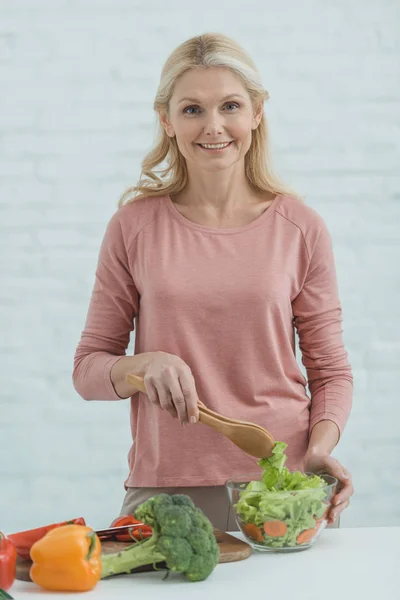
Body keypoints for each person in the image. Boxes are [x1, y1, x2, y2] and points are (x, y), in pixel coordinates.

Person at [73, 32, 354, 532]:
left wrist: (318, 452)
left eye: (230, 106)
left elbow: (330, 371)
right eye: (192, 110)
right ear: (167, 120)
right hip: (166, 489)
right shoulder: (134, 227)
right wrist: (143, 363)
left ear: (257, 112)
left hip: (279, 490)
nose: (214, 126)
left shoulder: (300, 227)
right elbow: (89, 370)